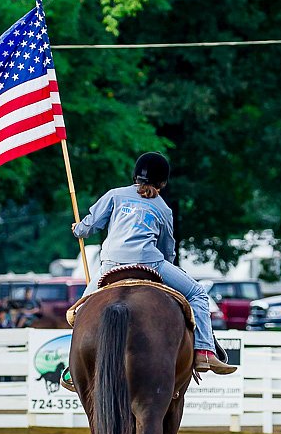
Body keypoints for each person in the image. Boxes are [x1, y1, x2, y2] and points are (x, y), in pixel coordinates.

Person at [72, 151, 236, 374]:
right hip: (150, 263)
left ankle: (73, 369)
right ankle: (204, 352)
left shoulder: (115, 195)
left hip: (111, 264)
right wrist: (166, 268)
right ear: (163, 182)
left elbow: (89, 227)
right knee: (198, 294)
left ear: (135, 176)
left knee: (80, 311)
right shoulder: (163, 208)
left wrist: (78, 229)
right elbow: (168, 248)